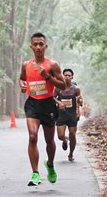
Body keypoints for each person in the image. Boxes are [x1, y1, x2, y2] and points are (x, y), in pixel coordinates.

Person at [19, 32, 66, 186]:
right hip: (32, 103)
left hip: (48, 105)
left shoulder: (52, 65)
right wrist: (22, 84)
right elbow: (22, 78)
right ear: (31, 46)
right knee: (32, 137)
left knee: (49, 140)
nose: (38, 47)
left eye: (41, 44)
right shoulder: (26, 65)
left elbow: (63, 85)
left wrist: (47, 76)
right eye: (35, 44)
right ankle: (35, 173)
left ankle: (50, 165)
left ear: (46, 46)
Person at [54, 68, 83, 162]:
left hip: (72, 115)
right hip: (61, 114)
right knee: (60, 135)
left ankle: (71, 154)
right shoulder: (58, 88)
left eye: (69, 75)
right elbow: (52, 97)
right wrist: (59, 103)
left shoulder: (76, 89)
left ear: (72, 77)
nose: (67, 77)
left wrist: (79, 102)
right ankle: (65, 140)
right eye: (65, 75)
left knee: (73, 134)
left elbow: (80, 100)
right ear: (62, 76)